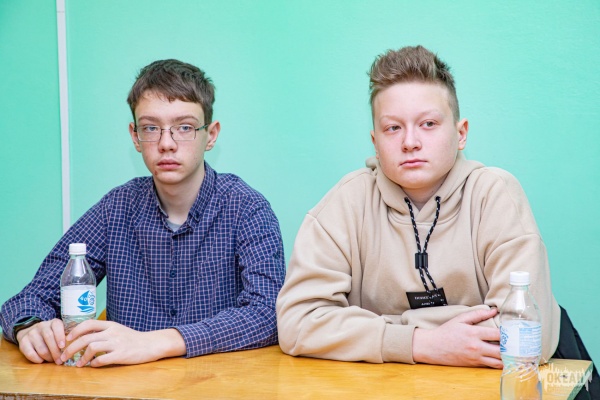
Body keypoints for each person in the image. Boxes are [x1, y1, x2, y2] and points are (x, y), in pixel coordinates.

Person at [276, 45, 562, 368]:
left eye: (428, 124)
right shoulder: (346, 202)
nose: (410, 142)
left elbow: (527, 337)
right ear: (375, 142)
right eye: (393, 128)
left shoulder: (495, 195)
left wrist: (374, 330)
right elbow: (297, 322)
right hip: (384, 388)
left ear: (461, 133)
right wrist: (419, 342)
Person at [0, 59, 286, 367]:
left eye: (185, 128)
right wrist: (30, 327)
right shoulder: (116, 208)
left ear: (211, 135)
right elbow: (28, 299)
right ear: (135, 136)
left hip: (216, 382)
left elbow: (268, 313)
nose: (166, 143)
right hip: (127, 384)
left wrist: (157, 342)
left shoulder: (247, 208)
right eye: (151, 128)